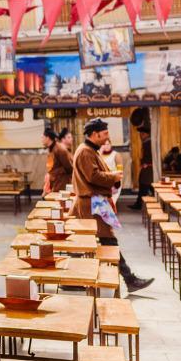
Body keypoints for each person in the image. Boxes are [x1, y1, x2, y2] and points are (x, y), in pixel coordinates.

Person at [73, 119, 153, 294]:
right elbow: (93, 176)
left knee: (104, 240)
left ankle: (128, 278)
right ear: (95, 134)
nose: (107, 137)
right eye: (105, 134)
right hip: (93, 203)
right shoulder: (86, 151)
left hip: (96, 201)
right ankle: (129, 279)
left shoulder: (90, 150)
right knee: (107, 240)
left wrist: (111, 177)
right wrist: (113, 177)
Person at [44, 128, 73, 197]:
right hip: (57, 181)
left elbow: (69, 168)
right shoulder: (54, 149)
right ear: (62, 139)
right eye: (69, 137)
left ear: (48, 138)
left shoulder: (60, 149)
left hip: (62, 182)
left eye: (43, 137)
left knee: (62, 202)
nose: (72, 139)